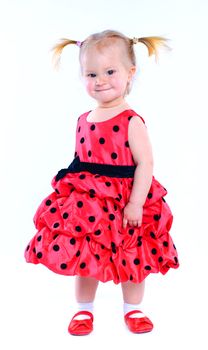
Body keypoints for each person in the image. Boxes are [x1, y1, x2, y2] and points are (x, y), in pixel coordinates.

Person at [24, 29, 179, 336]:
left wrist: (136, 203)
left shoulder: (131, 120)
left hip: (125, 201)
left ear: (130, 72)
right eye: (91, 73)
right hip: (88, 203)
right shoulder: (84, 118)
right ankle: (84, 310)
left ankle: (133, 309)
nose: (100, 80)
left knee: (132, 254)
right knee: (85, 257)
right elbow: (83, 159)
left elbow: (145, 164)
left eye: (110, 71)